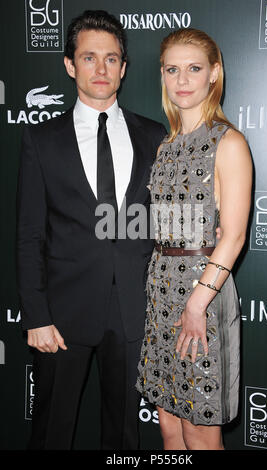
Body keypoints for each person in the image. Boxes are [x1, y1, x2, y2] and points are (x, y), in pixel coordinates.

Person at [16, 10, 166, 450]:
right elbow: (28, 236)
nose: (101, 69)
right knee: (52, 433)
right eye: (88, 58)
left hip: (133, 312)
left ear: (123, 68)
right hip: (61, 317)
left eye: (111, 59)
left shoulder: (154, 135)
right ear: (69, 65)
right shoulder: (42, 140)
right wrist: (36, 315)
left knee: (124, 435)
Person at [136, 28, 252, 450]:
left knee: (200, 434)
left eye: (194, 69)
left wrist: (197, 303)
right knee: (169, 428)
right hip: (162, 291)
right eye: (172, 69)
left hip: (202, 297)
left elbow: (234, 235)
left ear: (214, 74)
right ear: (162, 76)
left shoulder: (229, 143)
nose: (182, 80)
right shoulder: (167, 146)